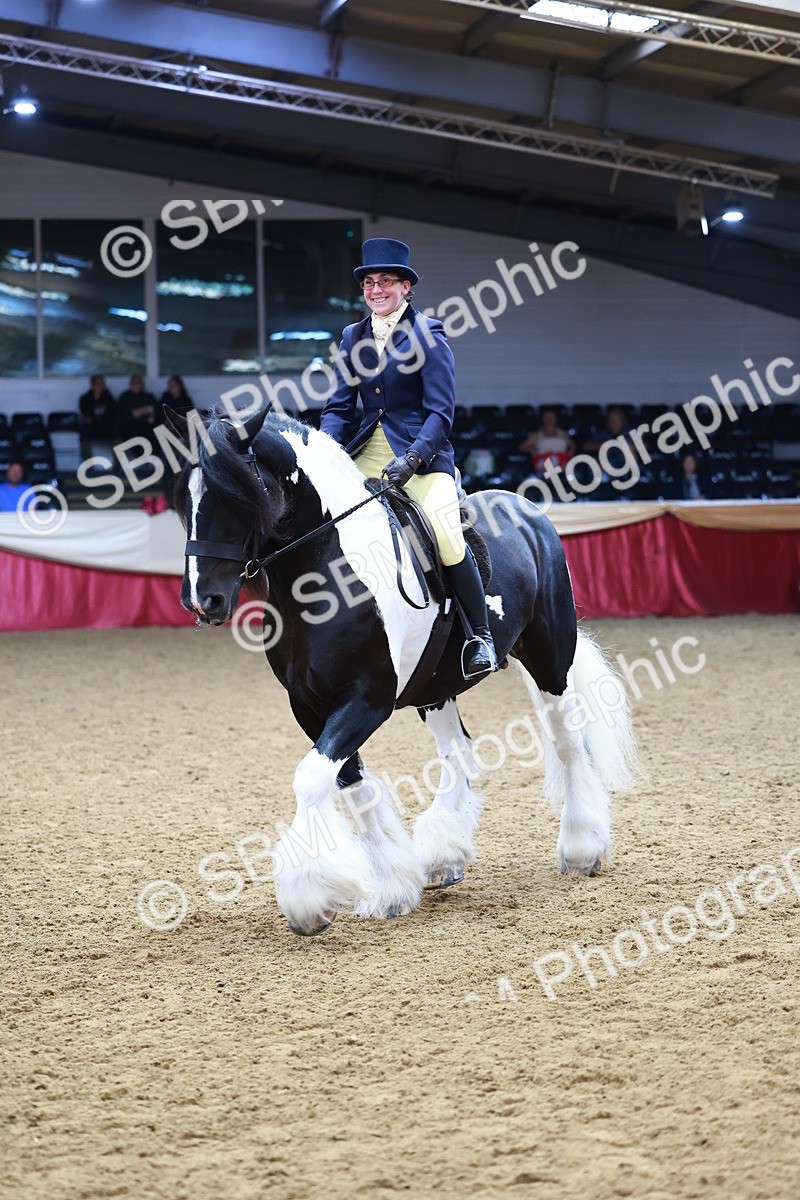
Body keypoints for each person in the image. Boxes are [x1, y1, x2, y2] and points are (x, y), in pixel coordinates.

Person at [320, 236, 498, 677]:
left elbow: (442, 412)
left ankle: (481, 637)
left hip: (421, 453)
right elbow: (340, 408)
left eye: (385, 282)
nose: (376, 290)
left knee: (445, 532)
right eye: (369, 283)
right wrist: (323, 453)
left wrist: (414, 459)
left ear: (405, 287)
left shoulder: (428, 333)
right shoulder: (352, 336)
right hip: (365, 450)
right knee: (318, 517)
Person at [519, 407, 575, 473]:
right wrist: (532, 451)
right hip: (543, 461)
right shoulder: (537, 434)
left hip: (561, 461)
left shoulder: (563, 433)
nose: (549, 420)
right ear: (543, 419)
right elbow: (522, 447)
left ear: (556, 419)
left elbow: (572, 446)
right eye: (547, 418)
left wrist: (568, 455)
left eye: (552, 417)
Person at [117, 373, 158, 441]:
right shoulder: (125, 396)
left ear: (142, 385)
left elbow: (155, 407)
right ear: (130, 384)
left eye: (139, 383)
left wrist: (144, 410)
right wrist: (134, 412)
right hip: (129, 426)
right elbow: (122, 409)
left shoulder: (148, 396)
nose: (136, 385)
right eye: (134, 383)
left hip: (146, 426)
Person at [78, 374, 116, 441]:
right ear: (92, 385)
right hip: (91, 425)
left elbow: (113, 413)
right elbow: (86, 414)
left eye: (102, 383)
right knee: (83, 429)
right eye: (98, 383)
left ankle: (118, 451)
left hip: (106, 425)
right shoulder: (85, 398)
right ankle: (86, 451)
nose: (100, 386)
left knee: (116, 429)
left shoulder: (109, 398)